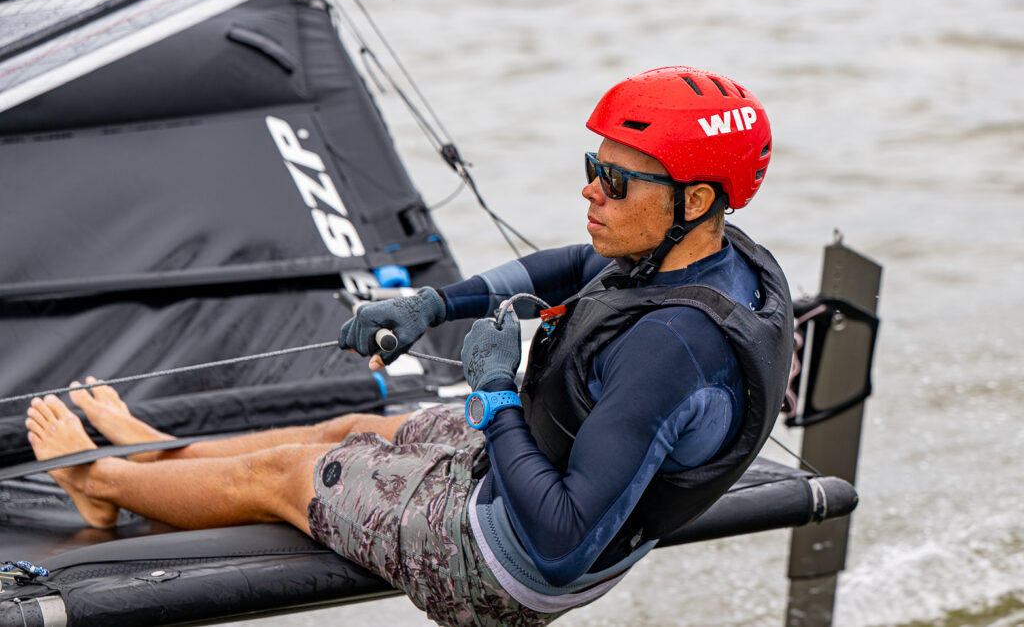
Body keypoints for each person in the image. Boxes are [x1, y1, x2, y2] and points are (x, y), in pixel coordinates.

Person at [26, 66, 793, 627]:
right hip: (531, 462)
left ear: (695, 200)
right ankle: (165, 456)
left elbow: (559, 543)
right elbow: (571, 263)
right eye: (591, 169)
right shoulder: (708, 250)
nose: (591, 192)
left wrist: (495, 398)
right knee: (347, 433)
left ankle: (105, 482)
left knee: (283, 474)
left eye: (616, 183)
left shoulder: (672, 348)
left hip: (503, 564)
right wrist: (434, 302)